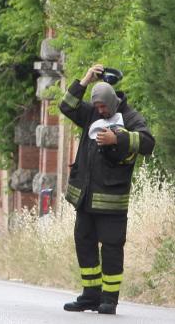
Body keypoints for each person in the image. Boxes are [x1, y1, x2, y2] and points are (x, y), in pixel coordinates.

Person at [59, 64, 154, 315]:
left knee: (111, 247)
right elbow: (67, 106)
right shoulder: (92, 114)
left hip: (112, 200)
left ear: (112, 102)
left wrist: (118, 139)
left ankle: (109, 299)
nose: (100, 111)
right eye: (97, 106)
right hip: (86, 198)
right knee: (84, 242)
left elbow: (147, 142)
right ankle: (90, 295)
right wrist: (86, 80)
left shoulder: (130, 117)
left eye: (103, 107)